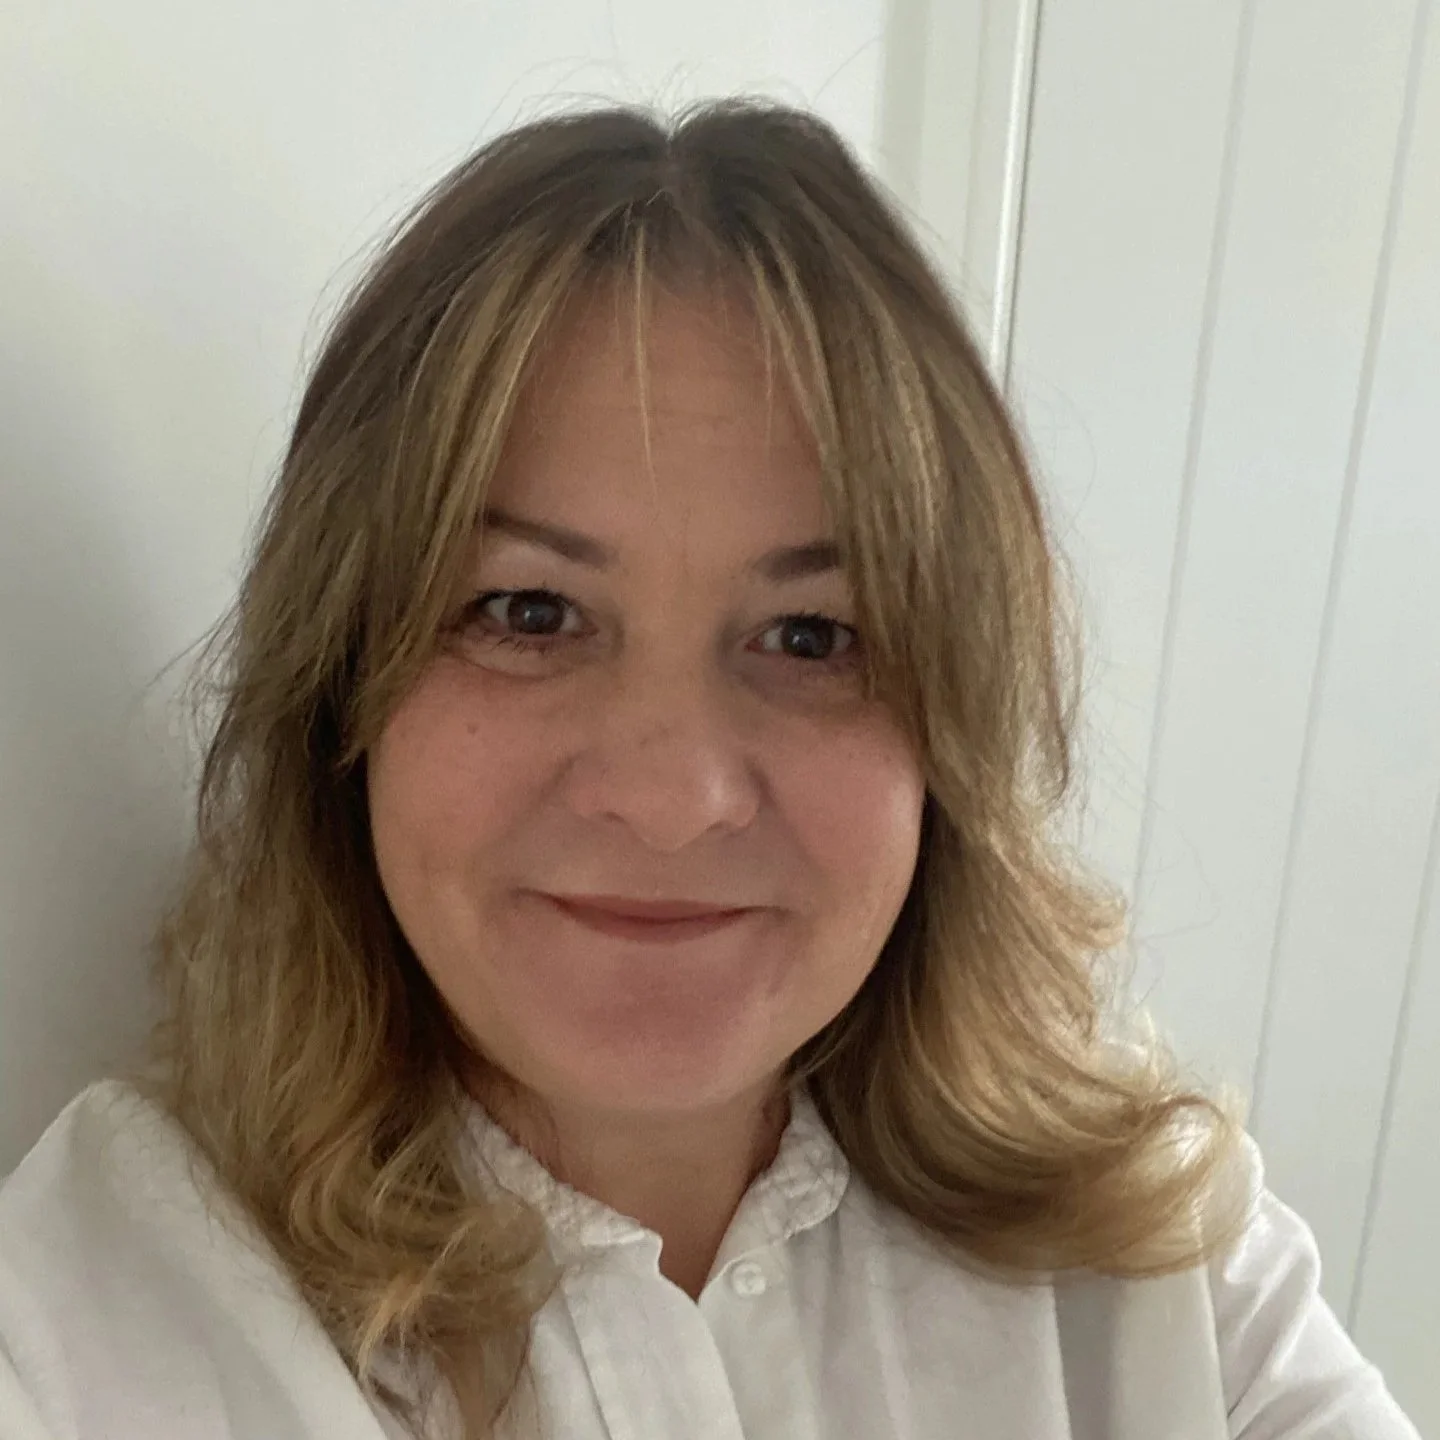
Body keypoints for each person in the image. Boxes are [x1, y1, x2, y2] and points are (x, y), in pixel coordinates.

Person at [0, 99, 1421, 1440]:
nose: (674, 797)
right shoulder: (104, 1309)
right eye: (527, 613)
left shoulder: (1160, 1265)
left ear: (954, 737)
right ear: (341, 691)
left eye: (812, 635)